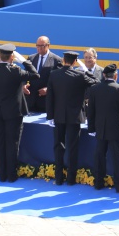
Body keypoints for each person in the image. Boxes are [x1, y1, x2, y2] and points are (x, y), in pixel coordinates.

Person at [0, 44, 40, 182]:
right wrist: (25, 61)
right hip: (13, 112)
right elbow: (35, 75)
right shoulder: (16, 71)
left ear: (0, 56)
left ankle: (2, 174)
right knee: (12, 143)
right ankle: (11, 175)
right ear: (12, 56)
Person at [46, 51, 98, 185]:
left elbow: (50, 97)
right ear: (75, 61)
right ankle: (71, 179)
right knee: (72, 147)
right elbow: (96, 82)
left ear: (63, 60)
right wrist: (86, 70)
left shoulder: (54, 74)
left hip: (58, 116)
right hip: (74, 117)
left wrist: (50, 116)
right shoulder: (79, 75)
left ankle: (58, 178)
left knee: (58, 146)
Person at [87, 63, 119, 192]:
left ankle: (98, 182)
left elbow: (90, 111)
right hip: (117, 128)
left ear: (103, 75)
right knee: (118, 157)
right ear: (116, 75)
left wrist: (91, 128)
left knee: (99, 155)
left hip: (100, 128)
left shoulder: (95, 89)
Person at [25, 35, 62, 112]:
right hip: (30, 100)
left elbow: (59, 81)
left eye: (41, 46)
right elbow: (25, 75)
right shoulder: (31, 58)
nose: (39, 48)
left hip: (46, 102)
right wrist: (23, 85)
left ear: (48, 45)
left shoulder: (56, 60)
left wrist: (49, 89)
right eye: (37, 45)